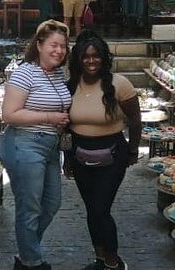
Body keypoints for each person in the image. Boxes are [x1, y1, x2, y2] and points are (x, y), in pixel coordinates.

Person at [0, 19, 72, 270]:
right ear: (39, 45)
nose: (59, 51)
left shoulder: (59, 73)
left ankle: (27, 252)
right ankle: (32, 262)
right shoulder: (25, 72)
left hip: (50, 148)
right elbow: (9, 114)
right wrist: (50, 117)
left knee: (51, 204)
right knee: (29, 208)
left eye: (63, 46)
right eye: (53, 45)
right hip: (24, 144)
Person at [66, 30, 142, 270]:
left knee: (101, 209)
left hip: (112, 155)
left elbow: (136, 120)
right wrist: (67, 159)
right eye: (86, 57)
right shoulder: (70, 85)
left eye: (96, 56)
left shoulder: (120, 84)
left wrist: (132, 151)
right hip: (80, 156)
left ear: (104, 58)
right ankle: (99, 257)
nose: (91, 61)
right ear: (78, 59)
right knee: (91, 210)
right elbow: (66, 129)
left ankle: (113, 260)